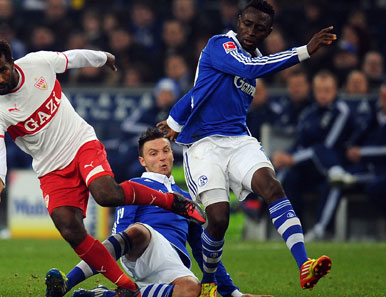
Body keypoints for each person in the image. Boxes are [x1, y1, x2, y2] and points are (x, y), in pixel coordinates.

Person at [0, 39, 206, 297]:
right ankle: (128, 289)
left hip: (80, 142)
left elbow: (71, 58)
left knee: (106, 194)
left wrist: (103, 57)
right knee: (69, 228)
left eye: (2, 69)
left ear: (12, 62)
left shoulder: (36, 64)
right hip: (50, 167)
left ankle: (170, 201)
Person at [157, 0, 335, 290]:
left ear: (268, 32)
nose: (251, 31)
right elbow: (246, 70)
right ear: (238, 20)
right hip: (204, 146)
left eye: (260, 28)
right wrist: (304, 51)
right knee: (218, 219)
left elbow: (204, 89)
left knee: (272, 186)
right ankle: (210, 282)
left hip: (239, 140)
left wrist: (176, 119)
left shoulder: (256, 58)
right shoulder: (220, 45)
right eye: (247, 24)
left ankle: (305, 264)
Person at [45, 128, 273, 297]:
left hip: (172, 262)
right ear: (143, 161)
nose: (162, 157)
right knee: (139, 231)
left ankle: (107, 295)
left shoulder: (187, 198)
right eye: (153, 154)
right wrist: (120, 267)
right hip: (140, 252)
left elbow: (202, 249)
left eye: (165, 150)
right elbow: (122, 233)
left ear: (172, 154)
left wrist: (233, 293)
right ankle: (67, 283)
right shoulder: (134, 187)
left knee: (191, 289)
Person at [273, 71, 354, 240]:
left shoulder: (342, 111)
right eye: (319, 90)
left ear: (335, 90)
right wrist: (285, 156)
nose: (323, 95)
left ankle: (320, 230)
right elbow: (299, 144)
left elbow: (326, 146)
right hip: (310, 167)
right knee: (288, 177)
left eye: (327, 90)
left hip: (334, 165)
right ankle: (295, 228)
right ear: (314, 91)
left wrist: (293, 159)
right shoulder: (308, 114)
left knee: (334, 181)